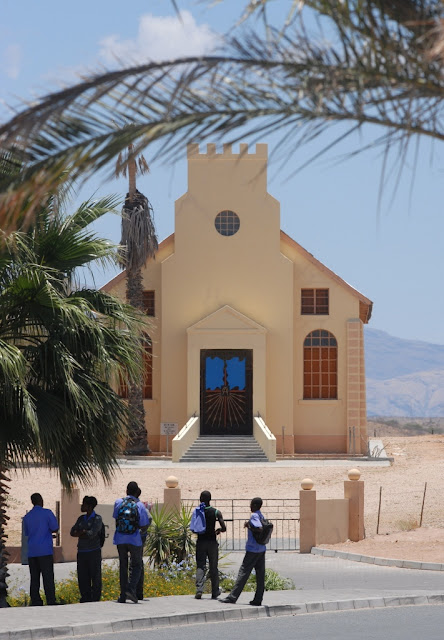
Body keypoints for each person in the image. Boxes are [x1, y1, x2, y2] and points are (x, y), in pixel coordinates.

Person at [219, 497, 266, 606]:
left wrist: (248, 525)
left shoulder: (254, 515)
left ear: (254, 505)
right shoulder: (261, 515)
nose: (250, 506)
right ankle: (258, 599)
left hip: (252, 549)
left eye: (251, 504)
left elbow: (259, 528)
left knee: (243, 573)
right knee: (260, 575)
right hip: (261, 549)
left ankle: (232, 597)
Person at [113, 481, 149, 603]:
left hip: (119, 539)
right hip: (134, 539)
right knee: (137, 565)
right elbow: (144, 525)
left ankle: (123, 595)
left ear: (126, 490)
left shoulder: (118, 502)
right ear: (136, 492)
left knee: (123, 566)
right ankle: (131, 589)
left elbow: (116, 518)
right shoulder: (139, 505)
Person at [22, 493, 59, 606]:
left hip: (32, 551)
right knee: (48, 577)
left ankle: (36, 601)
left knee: (34, 578)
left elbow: (27, 533)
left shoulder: (27, 517)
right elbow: (55, 528)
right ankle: (51, 600)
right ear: (41, 500)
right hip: (45, 550)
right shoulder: (47, 513)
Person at [70, 495, 103, 602]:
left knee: (95, 576)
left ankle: (95, 598)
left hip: (94, 551)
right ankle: (85, 597)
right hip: (82, 552)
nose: (82, 506)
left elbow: (92, 533)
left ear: (89, 506)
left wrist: (81, 532)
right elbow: (72, 532)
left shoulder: (97, 519)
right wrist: (83, 532)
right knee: (83, 577)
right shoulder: (81, 519)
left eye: (84, 504)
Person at [195, 490, 226, 600]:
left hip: (201, 541)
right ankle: (215, 591)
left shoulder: (198, 511)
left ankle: (199, 590)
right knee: (213, 567)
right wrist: (218, 530)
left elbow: (194, 527)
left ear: (201, 499)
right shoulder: (216, 512)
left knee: (200, 566)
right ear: (210, 499)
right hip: (212, 542)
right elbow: (224, 528)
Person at [132, 486, 151, 601]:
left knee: (131, 565)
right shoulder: (140, 506)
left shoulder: (123, 504)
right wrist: (142, 531)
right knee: (138, 564)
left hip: (125, 538)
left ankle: (127, 592)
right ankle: (138, 592)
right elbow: (149, 519)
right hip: (138, 538)